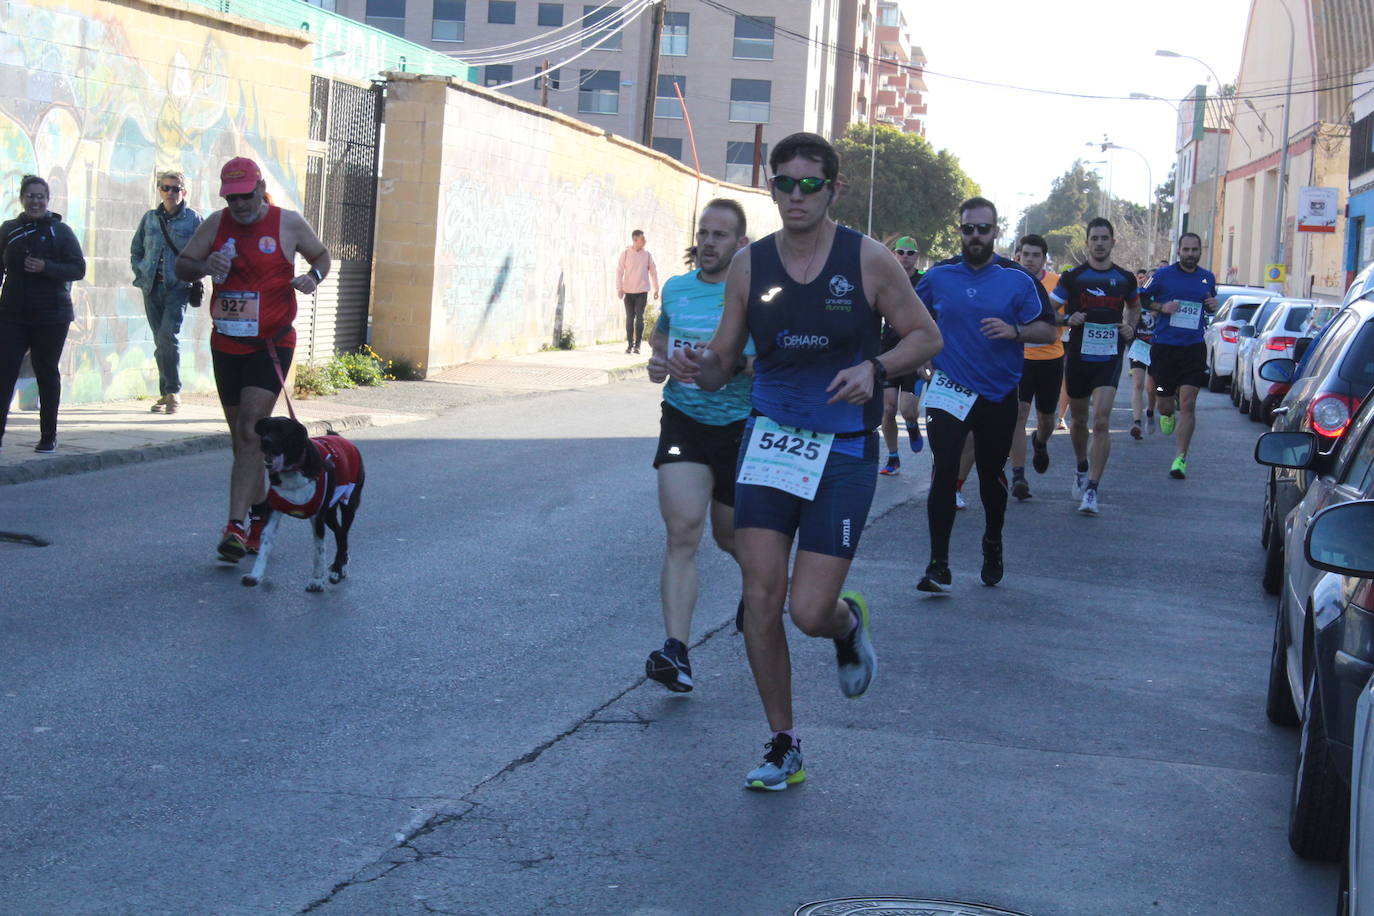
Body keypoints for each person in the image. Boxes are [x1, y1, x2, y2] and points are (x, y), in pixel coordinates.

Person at [667, 132, 941, 791]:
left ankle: (845, 625)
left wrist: (874, 368)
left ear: (833, 189)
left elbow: (926, 336)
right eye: (783, 183)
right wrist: (696, 368)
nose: (795, 195)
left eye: (808, 184)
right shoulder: (750, 266)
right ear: (771, 188)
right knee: (761, 594)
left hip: (843, 450)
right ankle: (784, 742)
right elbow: (723, 365)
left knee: (807, 611)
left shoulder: (870, 261)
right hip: (768, 443)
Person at [175, 157, 330, 562]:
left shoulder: (288, 223)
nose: (239, 205)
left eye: (245, 196)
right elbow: (181, 266)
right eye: (231, 198)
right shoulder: (215, 223)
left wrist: (311, 279)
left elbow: (321, 257)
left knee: (248, 429)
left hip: (272, 343)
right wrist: (204, 265)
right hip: (227, 343)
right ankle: (262, 517)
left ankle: (235, 526)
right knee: (243, 441)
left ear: (260, 187)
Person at [915, 201, 1057, 592]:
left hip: (997, 393)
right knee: (944, 469)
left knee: (991, 477)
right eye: (968, 229)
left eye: (983, 229)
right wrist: (920, 357)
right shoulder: (939, 276)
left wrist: (1014, 331)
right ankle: (937, 564)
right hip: (948, 389)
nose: (975, 236)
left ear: (996, 232)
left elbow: (1048, 331)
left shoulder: (1016, 279)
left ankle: (992, 543)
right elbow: (911, 319)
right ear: (959, 231)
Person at [643, 198, 753, 692]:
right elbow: (660, 340)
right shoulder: (676, 288)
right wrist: (659, 363)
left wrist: (724, 366)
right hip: (684, 420)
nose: (708, 242)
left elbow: (769, 362)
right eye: (704, 233)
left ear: (740, 243)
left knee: (731, 537)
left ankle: (760, 588)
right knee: (683, 530)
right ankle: (677, 651)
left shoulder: (751, 296)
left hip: (738, 426)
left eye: (720, 235)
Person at [1051, 217, 1140, 515]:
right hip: (1078, 355)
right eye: (1095, 238)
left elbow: (1134, 306)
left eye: (1105, 238)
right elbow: (1048, 310)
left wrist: (1130, 328)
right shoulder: (1073, 277)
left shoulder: (1125, 278)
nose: (1100, 243)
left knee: (1101, 420)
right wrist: (1066, 319)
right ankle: (1081, 465)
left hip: (1109, 356)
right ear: (1087, 243)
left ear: (1113, 242)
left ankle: (1092, 489)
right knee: (1078, 421)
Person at [0, 175, 85, 454]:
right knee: (5, 372)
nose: (35, 201)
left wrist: (46, 267)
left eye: (41, 196)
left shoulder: (60, 231)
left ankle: (48, 435)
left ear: (48, 200)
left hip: (52, 315)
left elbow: (77, 269)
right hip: (13, 313)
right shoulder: (9, 229)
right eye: (30, 196)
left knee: (46, 372)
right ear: (22, 198)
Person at [1139, 232, 1218, 478]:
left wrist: (1212, 306)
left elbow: (1209, 304)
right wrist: (1162, 307)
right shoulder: (1162, 276)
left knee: (1189, 403)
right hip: (1165, 348)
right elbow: (1141, 298)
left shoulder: (1207, 278)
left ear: (1200, 251)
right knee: (1165, 402)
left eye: (1195, 250)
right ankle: (1165, 412)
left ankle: (1180, 458)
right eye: (1186, 249)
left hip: (1193, 347)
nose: (1191, 254)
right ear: (1179, 251)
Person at [131, 170, 203, 414]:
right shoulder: (150, 218)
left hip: (178, 288)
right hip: (151, 287)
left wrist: (192, 276)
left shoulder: (193, 220)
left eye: (176, 188)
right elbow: (137, 248)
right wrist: (140, 272)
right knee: (159, 341)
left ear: (184, 192)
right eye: (166, 188)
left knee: (167, 337)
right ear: (159, 189)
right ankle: (166, 393)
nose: (170, 192)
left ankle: (173, 391)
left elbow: (204, 253)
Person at [1008, 234, 1062, 500]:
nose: (1029, 260)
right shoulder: (1009, 281)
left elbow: (1066, 315)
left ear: (1044, 259)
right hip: (1020, 359)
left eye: (1035, 255)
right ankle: (1018, 475)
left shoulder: (1057, 284)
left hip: (1051, 358)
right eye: (1025, 254)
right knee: (1019, 413)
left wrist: (1058, 318)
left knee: (1046, 419)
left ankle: (1040, 442)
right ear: (1019, 256)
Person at [879, 235, 926, 476]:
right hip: (888, 351)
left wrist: (928, 356)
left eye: (910, 253)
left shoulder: (924, 281)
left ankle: (911, 425)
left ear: (916, 256)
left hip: (914, 352)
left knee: (907, 409)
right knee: (887, 409)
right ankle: (893, 457)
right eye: (901, 252)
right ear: (895, 255)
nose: (905, 257)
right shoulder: (887, 280)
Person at [1127, 271, 1159, 440]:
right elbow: (1127, 316)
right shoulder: (1137, 297)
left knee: (1151, 388)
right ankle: (1137, 422)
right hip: (1138, 344)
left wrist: (1158, 312)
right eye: (1146, 279)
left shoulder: (1160, 299)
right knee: (1138, 384)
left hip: (1156, 346)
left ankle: (1150, 413)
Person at [616, 229, 659, 354]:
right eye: (642, 239)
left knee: (639, 317)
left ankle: (638, 346)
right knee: (630, 318)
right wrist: (619, 288)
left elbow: (653, 272)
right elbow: (619, 271)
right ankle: (630, 345)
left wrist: (656, 288)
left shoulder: (647, 255)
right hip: (628, 292)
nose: (645, 241)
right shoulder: (626, 254)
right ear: (635, 240)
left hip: (642, 291)